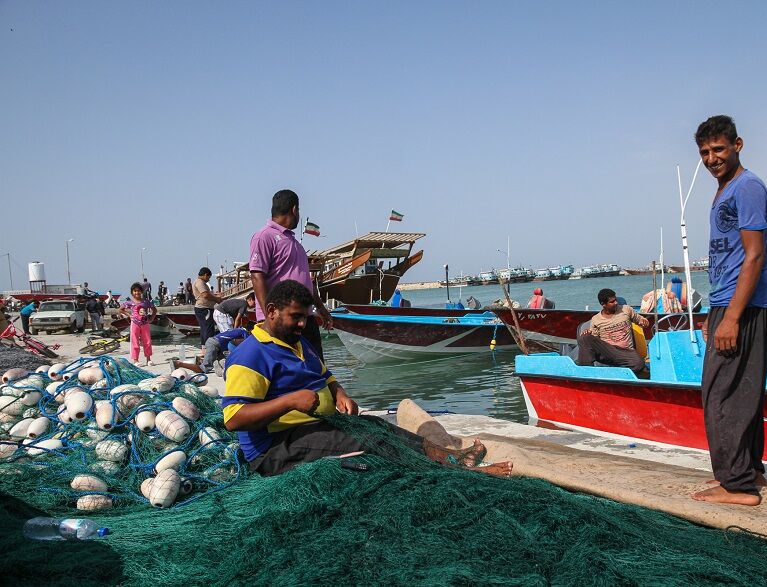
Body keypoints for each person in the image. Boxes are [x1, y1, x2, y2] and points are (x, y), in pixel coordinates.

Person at [222, 280, 513, 478]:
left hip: (312, 426)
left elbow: (326, 375)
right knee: (370, 441)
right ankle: (457, 472)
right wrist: (290, 401)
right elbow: (234, 418)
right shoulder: (251, 355)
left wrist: (339, 393)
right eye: (295, 317)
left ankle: (449, 456)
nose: (302, 324)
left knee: (377, 425)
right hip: (275, 449)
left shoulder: (297, 341)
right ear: (271, 312)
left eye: (306, 317)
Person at [690, 116, 767, 507]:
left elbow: (754, 256)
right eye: (705, 152)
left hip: (747, 305)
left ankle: (736, 485)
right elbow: (729, 255)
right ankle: (751, 470)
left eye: (719, 150)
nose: (712, 159)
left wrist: (734, 317)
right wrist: (716, 310)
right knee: (743, 391)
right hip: (729, 301)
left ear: (737, 144)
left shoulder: (748, 187)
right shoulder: (724, 189)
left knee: (719, 394)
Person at [248, 189, 333, 360]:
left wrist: (321, 309)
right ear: (294, 209)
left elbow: (306, 281)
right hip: (281, 319)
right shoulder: (264, 237)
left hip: (305, 316)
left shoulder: (295, 243)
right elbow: (257, 276)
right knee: (287, 371)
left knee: (316, 368)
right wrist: (269, 317)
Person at [575, 288, 650, 376]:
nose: (616, 303)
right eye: (612, 302)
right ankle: (586, 374)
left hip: (626, 352)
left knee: (639, 364)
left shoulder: (626, 309)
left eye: (616, 300)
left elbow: (642, 322)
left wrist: (644, 323)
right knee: (585, 337)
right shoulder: (596, 319)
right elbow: (595, 342)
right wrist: (588, 333)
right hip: (608, 352)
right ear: (603, 304)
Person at [174, 326, 249, 374]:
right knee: (204, 369)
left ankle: (216, 363)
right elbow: (246, 346)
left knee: (225, 361)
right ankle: (179, 364)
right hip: (215, 344)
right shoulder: (244, 333)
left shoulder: (238, 329)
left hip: (214, 343)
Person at [120, 282, 157, 366]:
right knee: (134, 341)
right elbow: (121, 309)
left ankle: (148, 359)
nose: (137, 293)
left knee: (147, 341)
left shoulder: (146, 302)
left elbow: (154, 310)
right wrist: (129, 315)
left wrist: (151, 319)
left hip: (145, 323)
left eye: (138, 291)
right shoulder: (129, 302)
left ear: (142, 291)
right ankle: (136, 360)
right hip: (135, 324)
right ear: (132, 292)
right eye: (135, 291)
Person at [193, 267, 223, 348]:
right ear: (206, 275)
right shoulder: (200, 282)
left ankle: (204, 348)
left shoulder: (199, 282)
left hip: (204, 308)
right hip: (204, 309)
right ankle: (208, 347)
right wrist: (217, 299)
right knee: (208, 328)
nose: (209, 279)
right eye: (209, 277)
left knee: (204, 328)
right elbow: (205, 295)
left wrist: (215, 296)